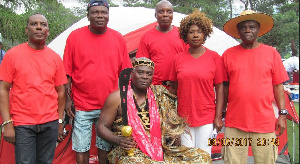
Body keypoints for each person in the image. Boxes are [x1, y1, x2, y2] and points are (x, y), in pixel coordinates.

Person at [97, 57, 212, 163]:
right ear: (132, 74)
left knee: (202, 157)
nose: (145, 77)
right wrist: (118, 140)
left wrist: (173, 134)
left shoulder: (160, 94)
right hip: (131, 151)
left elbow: (172, 122)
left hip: (161, 148)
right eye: (140, 72)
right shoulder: (117, 97)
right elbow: (101, 127)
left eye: (149, 74)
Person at [63, 0, 132, 163]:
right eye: (95, 12)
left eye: (103, 12)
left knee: (105, 147)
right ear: (87, 16)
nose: (99, 15)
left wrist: (124, 101)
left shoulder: (118, 38)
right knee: (81, 147)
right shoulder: (74, 37)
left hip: (108, 106)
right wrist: (67, 100)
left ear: (108, 16)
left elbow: (126, 73)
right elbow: (67, 73)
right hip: (81, 105)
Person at [222, 10, 289, 164]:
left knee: (266, 161)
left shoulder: (271, 53)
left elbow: (278, 86)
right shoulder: (228, 55)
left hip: (264, 122)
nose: (247, 30)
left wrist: (282, 115)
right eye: (243, 27)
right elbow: (224, 88)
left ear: (258, 29)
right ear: (238, 31)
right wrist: (221, 114)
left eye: (252, 26)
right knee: (233, 161)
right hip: (235, 122)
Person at [0, 13, 67, 164]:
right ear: (26, 29)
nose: (38, 27)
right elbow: (3, 89)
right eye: (34, 24)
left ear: (47, 31)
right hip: (22, 123)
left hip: (49, 122)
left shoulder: (55, 58)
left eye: (43, 24)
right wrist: (7, 123)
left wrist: (60, 121)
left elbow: (61, 91)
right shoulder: (12, 55)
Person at [168, 10, 225, 155]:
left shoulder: (214, 57)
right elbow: (173, 89)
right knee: (187, 156)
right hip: (183, 118)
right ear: (185, 35)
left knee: (204, 155)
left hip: (206, 117)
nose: (195, 35)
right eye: (191, 32)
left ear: (205, 33)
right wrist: (170, 116)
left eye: (199, 31)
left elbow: (220, 88)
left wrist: (218, 117)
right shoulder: (178, 59)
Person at [135, 0, 187, 87]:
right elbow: (141, 65)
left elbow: (190, 59)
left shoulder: (182, 34)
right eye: (161, 12)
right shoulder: (147, 37)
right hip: (155, 88)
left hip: (179, 87)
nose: (165, 15)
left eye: (169, 12)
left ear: (172, 15)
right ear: (155, 15)